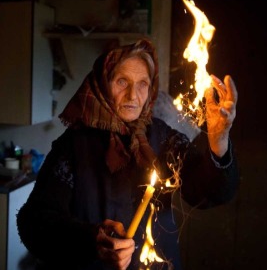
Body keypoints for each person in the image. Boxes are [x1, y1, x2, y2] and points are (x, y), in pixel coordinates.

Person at [17, 39, 239, 270]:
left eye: (143, 83)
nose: (133, 95)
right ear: (102, 84)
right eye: (122, 81)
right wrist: (93, 239)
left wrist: (218, 139)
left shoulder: (162, 137)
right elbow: (34, 222)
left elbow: (206, 193)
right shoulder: (73, 145)